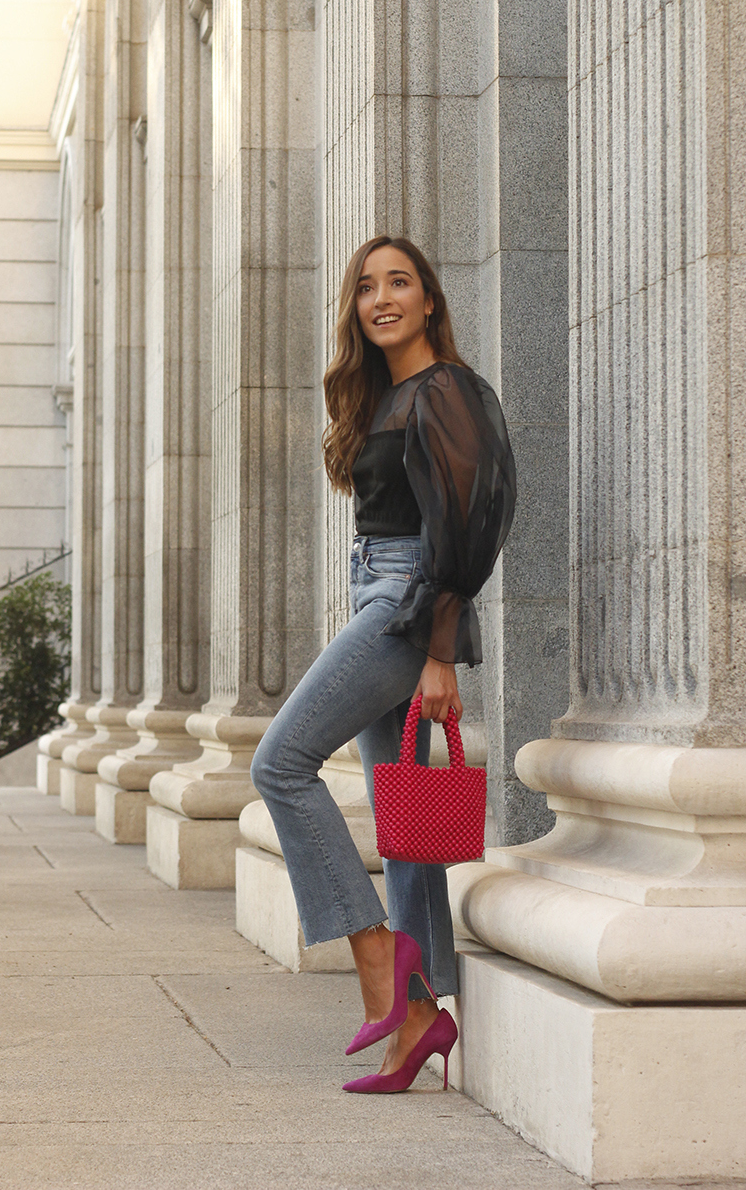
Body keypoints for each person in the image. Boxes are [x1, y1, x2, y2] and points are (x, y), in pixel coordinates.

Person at [251, 234, 516, 1094]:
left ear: (431, 299)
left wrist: (440, 652)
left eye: (399, 282)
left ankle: (378, 952)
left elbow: (471, 523)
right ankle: (420, 1019)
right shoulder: (395, 393)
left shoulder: (445, 390)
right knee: (404, 827)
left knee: (280, 763)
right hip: (385, 595)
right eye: (366, 288)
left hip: (407, 605)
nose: (381, 299)